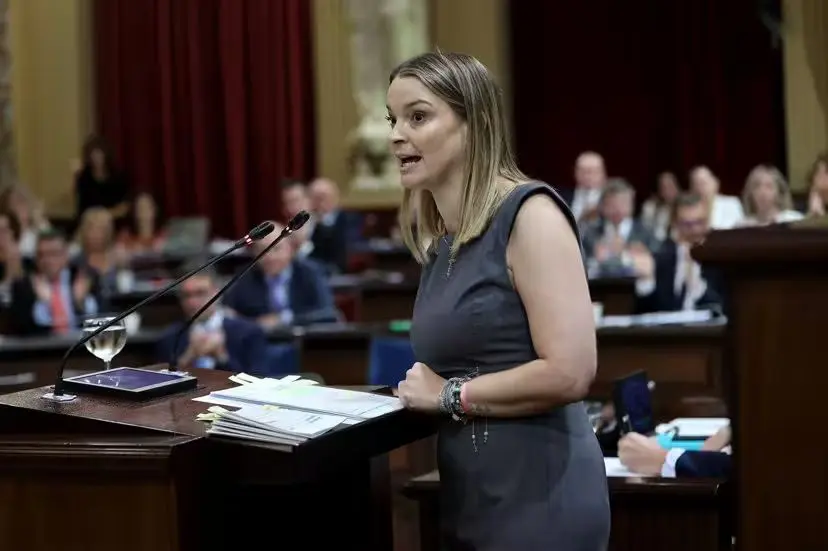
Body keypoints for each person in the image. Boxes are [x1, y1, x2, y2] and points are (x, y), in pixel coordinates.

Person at [390, 52, 609, 550]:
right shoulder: (443, 238)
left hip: (541, 497)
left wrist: (447, 395)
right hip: (473, 498)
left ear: (474, 123)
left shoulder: (531, 214)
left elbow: (571, 371)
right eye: (394, 119)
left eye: (418, 117)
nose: (396, 134)